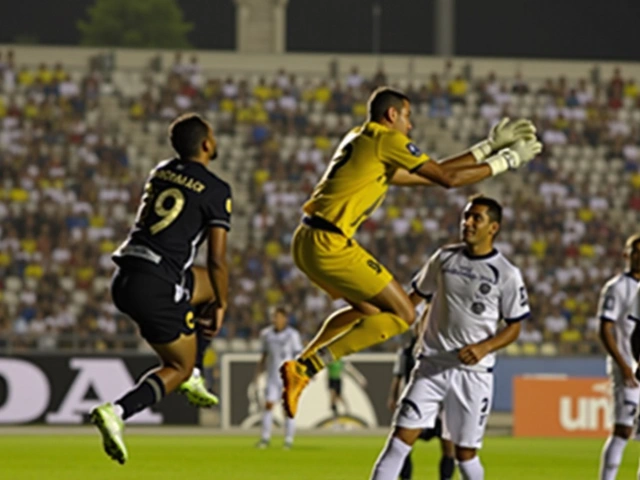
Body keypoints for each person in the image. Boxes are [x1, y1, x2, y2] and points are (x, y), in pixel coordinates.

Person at [280, 86, 542, 419]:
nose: (411, 126)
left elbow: (433, 174)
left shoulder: (361, 137)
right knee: (404, 315)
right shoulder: (387, 141)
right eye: (408, 117)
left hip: (306, 238)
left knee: (370, 312)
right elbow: (447, 179)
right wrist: (508, 160)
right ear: (393, 115)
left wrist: (487, 147)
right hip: (329, 243)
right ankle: (308, 366)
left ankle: (301, 364)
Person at [90, 113, 232, 464]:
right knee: (177, 366)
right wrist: (223, 304)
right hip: (158, 283)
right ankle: (118, 412)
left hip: (125, 275)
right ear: (206, 144)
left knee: (207, 289)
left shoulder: (161, 171)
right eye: (211, 135)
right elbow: (217, 260)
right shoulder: (217, 190)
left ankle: (195, 373)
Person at [371, 195, 530, 480]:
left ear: (493, 227)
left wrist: (485, 346)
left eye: (476, 218)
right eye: (466, 216)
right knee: (398, 442)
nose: (467, 222)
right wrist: (386, 317)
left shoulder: (506, 274)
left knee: (465, 455)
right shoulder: (444, 258)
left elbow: (515, 326)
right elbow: (414, 300)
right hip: (430, 366)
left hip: (473, 373)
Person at [597, 234, 640, 480]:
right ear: (626, 255)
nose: (639, 256)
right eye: (635, 251)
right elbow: (605, 328)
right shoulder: (616, 287)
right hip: (628, 369)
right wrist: (624, 366)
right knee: (623, 429)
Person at [389, 332, 455, 480]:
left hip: (441, 404)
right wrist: (393, 397)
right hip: (415, 403)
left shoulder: (442, 348)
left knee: (448, 447)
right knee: (403, 445)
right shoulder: (405, 352)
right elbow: (398, 376)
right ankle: (405, 478)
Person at [255, 306, 302, 449]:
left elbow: (298, 355)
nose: (276, 320)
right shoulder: (266, 334)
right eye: (274, 317)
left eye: (279, 317)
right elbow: (263, 355)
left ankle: (288, 439)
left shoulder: (293, 335)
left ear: (285, 319)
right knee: (268, 406)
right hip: (272, 377)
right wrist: (258, 372)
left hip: (288, 378)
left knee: (288, 408)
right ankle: (265, 438)